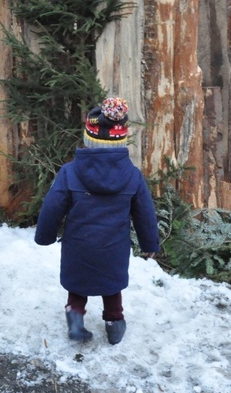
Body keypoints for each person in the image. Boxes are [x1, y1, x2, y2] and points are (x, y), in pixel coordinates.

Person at [34, 97, 160, 345]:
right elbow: (145, 212)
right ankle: (114, 323)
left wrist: (45, 236)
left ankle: (75, 317)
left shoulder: (70, 172)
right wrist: (150, 243)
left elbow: (53, 206)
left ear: (88, 138)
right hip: (113, 247)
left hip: (79, 244)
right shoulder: (132, 175)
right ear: (120, 139)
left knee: (78, 284)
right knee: (111, 286)